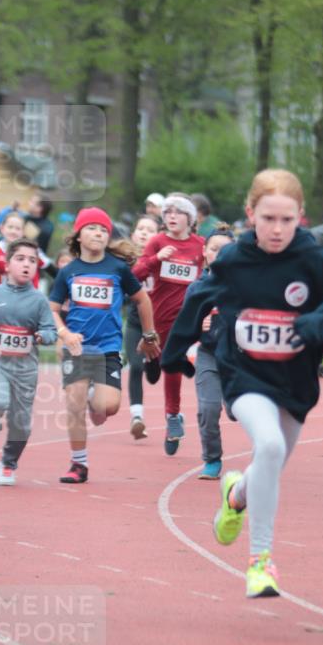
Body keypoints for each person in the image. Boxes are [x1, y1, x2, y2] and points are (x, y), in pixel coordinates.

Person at [161, 169, 323, 598]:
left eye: (286, 220)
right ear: (250, 214)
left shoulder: (314, 259)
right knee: (268, 447)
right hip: (245, 374)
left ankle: (236, 494)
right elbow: (199, 296)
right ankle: (261, 561)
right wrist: (173, 353)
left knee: (273, 460)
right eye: (268, 218)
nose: (276, 229)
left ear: (301, 218)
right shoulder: (235, 259)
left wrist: (312, 323)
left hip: (295, 379)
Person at [48, 207, 160, 484]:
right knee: (73, 406)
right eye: (92, 228)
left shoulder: (118, 268)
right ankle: (79, 463)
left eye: (103, 229)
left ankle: (93, 399)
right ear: (78, 235)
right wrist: (64, 333)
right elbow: (50, 309)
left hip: (109, 347)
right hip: (77, 348)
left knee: (107, 406)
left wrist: (148, 335)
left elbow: (143, 300)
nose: (98, 233)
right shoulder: (68, 272)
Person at [0, 239, 57, 485]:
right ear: (7, 265)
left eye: (32, 260)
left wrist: (44, 336)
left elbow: (50, 329)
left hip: (25, 368)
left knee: (21, 426)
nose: (26, 264)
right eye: (20, 259)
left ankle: (8, 462)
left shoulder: (39, 300)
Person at [133, 194, 205, 455]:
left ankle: (172, 417)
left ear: (190, 218)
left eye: (179, 212)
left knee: (174, 364)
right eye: (168, 212)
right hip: (158, 316)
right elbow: (134, 277)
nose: (172, 216)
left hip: (189, 318)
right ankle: (154, 362)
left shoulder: (200, 246)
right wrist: (157, 259)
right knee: (166, 366)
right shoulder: (157, 242)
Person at [192, 226, 235, 479]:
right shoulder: (197, 289)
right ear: (204, 252)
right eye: (214, 249)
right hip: (208, 355)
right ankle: (212, 459)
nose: (219, 254)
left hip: (238, 358)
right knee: (208, 409)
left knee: (236, 410)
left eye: (226, 250)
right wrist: (197, 323)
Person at [124, 214, 159, 439]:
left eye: (150, 229)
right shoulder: (125, 260)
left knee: (154, 376)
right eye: (141, 228)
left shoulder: (164, 259)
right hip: (136, 323)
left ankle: (153, 361)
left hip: (160, 324)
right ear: (133, 234)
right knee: (135, 367)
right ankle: (137, 417)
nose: (144, 232)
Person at [0, 210, 54, 288]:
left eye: (18, 228)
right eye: (10, 227)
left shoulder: (32, 250)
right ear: (2, 228)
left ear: (23, 232)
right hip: (3, 296)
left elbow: (50, 267)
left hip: (29, 297)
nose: (13, 231)